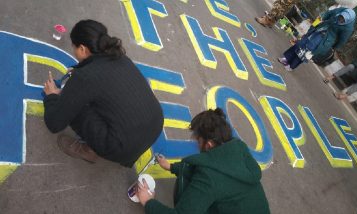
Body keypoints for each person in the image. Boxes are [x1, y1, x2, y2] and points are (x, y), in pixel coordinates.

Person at [43, 20, 164, 167]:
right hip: (154, 126)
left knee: (76, 105)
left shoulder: (85, 77)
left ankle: (89, 150)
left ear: (82, 49)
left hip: (122, 147)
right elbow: (104, 79)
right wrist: (81, 69)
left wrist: (52, 96)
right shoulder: (120, 57)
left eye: (74, 47)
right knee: (91, 96)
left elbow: (54, 124)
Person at [136, 108, 270, 214]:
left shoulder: (210, 177)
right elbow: (213, 167)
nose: (196, 143)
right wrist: (171, 167)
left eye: (198, 140)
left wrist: (148, 202)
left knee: (184, 188)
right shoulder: (238, 148)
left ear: (209, 144)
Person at [277, 7, 356, 71]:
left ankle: (291, 66)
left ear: (348, 21)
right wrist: (322, 16)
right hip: (318, 29)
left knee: (305, 52)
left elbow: (341, 41)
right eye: (340, 17)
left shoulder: (348, 29)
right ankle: (286, 58)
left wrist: (332, 47)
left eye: (343, 20)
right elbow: (329, 13)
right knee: (300, 43)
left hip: (324, 40)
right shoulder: (341, 10)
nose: (340, 20)